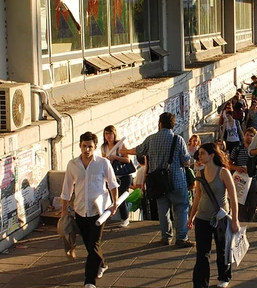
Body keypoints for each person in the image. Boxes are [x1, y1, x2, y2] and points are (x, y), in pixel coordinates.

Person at [121, 112, 194, 247]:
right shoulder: (178, 140)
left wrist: (125, 151)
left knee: (163, 209)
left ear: (160, 124)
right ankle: (181, 238)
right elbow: (186, 161)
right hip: (177, 181)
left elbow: (139, 150)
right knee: (181, 208)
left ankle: (165, 237)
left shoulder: (151, 139)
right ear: (173, 124)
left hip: (159, 182)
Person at [61, 132, 120, 288]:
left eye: (90, 147)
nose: (87, 150)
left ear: (95, 147)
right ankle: (102, 264)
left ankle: (89, 281)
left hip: (98, 212)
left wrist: (115, 204)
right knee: (90, 245)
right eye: (84, 146)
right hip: (80, 210)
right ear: (80, 146)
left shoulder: (103, 163)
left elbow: (113, 184)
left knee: (93, 244)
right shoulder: (72, 165)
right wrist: (64, 210)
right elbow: (66, 189)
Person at [188, 143, 241, 288]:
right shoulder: (200, 173)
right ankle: (200, 283)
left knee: (222, 250)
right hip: (202, 218)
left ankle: (224, 277)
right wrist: (191, 216)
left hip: (220, 217)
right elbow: (197, 197)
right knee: (202, 254)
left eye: (203, 153)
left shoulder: (223, 172)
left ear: (211, 155)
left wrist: (235, 220)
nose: (199, 156)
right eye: (199, 153)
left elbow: (233, 197)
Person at [100, 125, 133, 227]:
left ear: (114, 134)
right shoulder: (104, 147)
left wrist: (115, 157)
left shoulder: (120, 144)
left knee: (120, 196)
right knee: (114, 197)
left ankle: (125, 218)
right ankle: (123, 213)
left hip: (124, 174)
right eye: (106, 133)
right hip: (113, 175)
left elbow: (127, 159)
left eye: (110, 133)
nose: (108, 136)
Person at [231, 127, 257, 222]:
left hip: (253, 179)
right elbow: (229, 163)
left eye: (252, 136)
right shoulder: (237, 148)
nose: (249, 137)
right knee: (240, 201)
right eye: (247, 135)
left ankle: (250, 219)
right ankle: (242, 221)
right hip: (240, 178)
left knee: (254, 201)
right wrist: (237, 168)